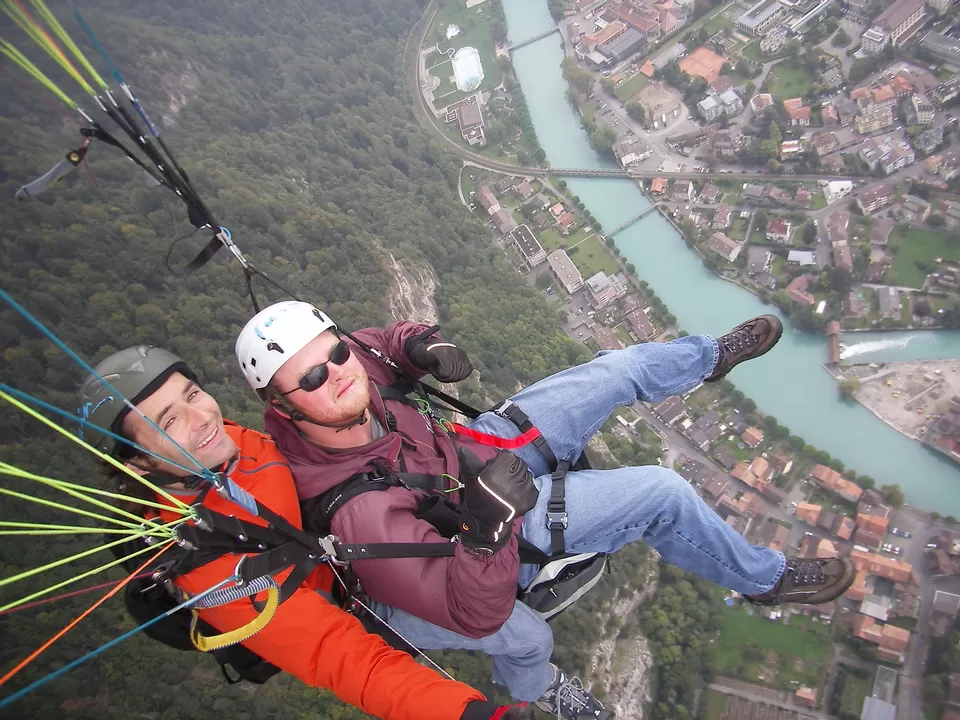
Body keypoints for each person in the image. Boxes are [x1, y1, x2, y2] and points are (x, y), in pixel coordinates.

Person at [235, 301, 856, 719]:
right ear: (284, 407)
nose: (337, 374)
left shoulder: (351, 366)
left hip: (470, 459)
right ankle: (764, 581)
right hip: (473, 540)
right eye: (310, 379)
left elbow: (380, 344)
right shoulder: (356, 511)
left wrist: (423, 345)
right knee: (657, 498)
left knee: (617, 369)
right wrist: (489, 528)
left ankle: (705, 360)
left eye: (334, 354)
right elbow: (470, 610)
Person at [78, 345, 526, 720]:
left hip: (349, 552)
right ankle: (544, 686)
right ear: (138, 462)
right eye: (167, 421)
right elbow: (338, 656)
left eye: (192, 394)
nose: (200, 418)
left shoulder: (224, 446)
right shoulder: (208, 567)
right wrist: (464, 714)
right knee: (526, 636)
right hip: (356, 607)